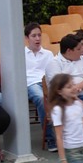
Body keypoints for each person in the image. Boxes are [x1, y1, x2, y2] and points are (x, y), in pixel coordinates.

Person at [24, 22, 56, 152]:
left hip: (47, 83)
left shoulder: (48, 54)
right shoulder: (21, 54)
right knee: (42, 99)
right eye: (33, 36)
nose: (37, 38)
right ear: (27, 38)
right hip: (31, 83)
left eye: (39, 35)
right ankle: (50, 138)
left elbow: (53, 72)